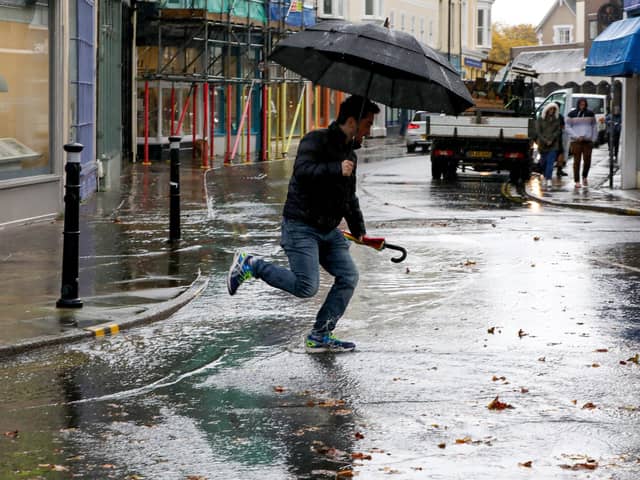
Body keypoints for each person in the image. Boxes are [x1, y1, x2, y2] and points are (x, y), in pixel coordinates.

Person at [226, 95, 380, 353]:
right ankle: (251, 264)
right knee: (306, 287)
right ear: (352, 122)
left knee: (349, 276)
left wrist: (359, 231)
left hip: (328, 230)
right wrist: (335, 168)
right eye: (367, 123)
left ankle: (320, 335)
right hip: (301, 225)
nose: (369, 130)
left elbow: (348, 198)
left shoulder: (350, 154)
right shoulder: (315, 140)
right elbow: (302, 171)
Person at [565, 97, 598, 188]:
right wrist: (576, 136)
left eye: (584, 104)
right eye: (581, 104)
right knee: (577, 161)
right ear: (578, 104)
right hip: (576, 141)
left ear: (586, 104)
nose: (582, 106)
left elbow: (594, 127)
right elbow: (567, 127)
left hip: (588, 141)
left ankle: (584, 176)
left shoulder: (590, 114)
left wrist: (593, 139)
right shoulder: (571, 114)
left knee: (587, 160)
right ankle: (577, 181)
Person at [535, 102, 563, 188]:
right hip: (543, 145)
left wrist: (552, 139)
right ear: (547, 109)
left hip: (553, 144)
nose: (552, 111)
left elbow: (558, 131)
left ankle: (549, 179)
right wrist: (545, 140)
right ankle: (544, 176)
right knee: (543, 162)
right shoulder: (541, 119)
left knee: (550, 163)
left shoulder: (557, 119)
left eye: (554, 109)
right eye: (550, 109)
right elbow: (538, 132)